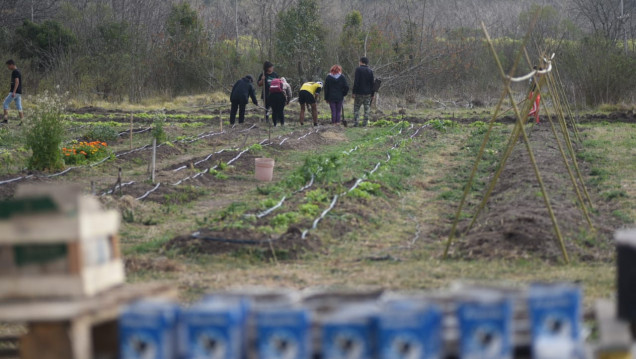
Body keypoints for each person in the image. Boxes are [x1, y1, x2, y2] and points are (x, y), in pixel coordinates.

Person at [352, 57, 374, 127]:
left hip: (359, 93)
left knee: (356, 108)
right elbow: (372, 83)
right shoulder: (370, 71)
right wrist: (372, 94)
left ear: (361, 62)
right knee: (367, 109)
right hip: (368, 93)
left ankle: (356, 123)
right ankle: (365, 124)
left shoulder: (358, 70)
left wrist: (353, 92)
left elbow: (356, 82)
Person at [3, 60, 23, 124]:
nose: (8, 67)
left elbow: (17, 82)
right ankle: (22, 121)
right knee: (19, 106)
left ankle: (5, 120)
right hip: (18, 92)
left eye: (8, 65)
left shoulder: (15, 72)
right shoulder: (18, 71)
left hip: (15, 92)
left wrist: (14, 92)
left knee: (5, 103)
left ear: (11, 64)